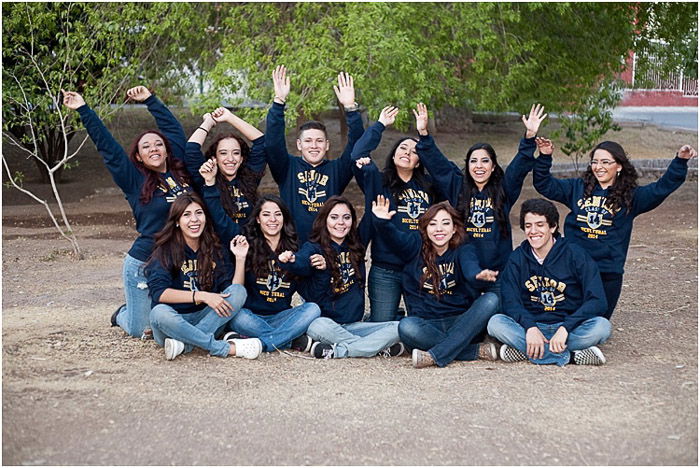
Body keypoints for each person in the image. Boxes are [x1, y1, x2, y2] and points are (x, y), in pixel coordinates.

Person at [62, 87, 192, 338]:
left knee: (171, 320)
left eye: (158, 144)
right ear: (139, 157)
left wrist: (151, 101)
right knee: (139, 330)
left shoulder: (182, 172)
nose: (154, 148)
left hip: (178, 261)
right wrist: (83, 109)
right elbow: (108, 149)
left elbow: (174, 130)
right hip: (144, 262)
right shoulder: (134, 180)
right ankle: (123, 313)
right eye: (146, 147)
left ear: (166, 150)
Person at [533, 139, 697, 319]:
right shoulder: (577, 188)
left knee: (597, 324)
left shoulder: (631, 197)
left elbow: (661, 188)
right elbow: (544, 184)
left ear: (618, 166)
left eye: (605, 162)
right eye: (594, 162)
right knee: (561, 317)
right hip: (574, 270)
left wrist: (680, 161)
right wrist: (545, 156)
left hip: (607, 274)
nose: (598, 167)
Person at [414, 103, 547, 303]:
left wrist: (529, 137)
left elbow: (518, 169)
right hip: (465, 268)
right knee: (471, 321)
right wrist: (424, 133)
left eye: (485, 161)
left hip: (499, 271)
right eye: (473, 161)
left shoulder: (504, 190)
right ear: (467, 166)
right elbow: (439, 166)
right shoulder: (458, 188)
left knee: (497, 317)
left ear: (493, 167)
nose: (479, 166)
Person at [371, 196, 501, 369]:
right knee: (406, 326)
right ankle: (472, 351)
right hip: (426, 325)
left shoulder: (463, 249)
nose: (439, 229)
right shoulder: (415, 246)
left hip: (462, 321)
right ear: (425, 228)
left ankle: (435, 354)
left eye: (445, 223)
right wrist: (382, 222)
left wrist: (477, 275)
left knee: (491, 299)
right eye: (432, 224)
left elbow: (470, 267)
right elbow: (395, 238)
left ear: (454, 228)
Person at [487, 198, 612, 366]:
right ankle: (573, 356)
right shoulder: (517, 258)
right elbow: (510, 301)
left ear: (552, 227)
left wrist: (565, 328)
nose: (533, 231)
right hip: (530, 326)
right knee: (495, 324)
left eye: (540, 225)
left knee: (602, 327)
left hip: (568, 327)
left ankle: (527, 350)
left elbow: (597, 300)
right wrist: (530, 328)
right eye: (529, 225)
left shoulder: (575, 254)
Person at [278, 196, 403, 359]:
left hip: (354, 325)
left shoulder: (357, 245)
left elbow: (370, 216)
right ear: (324, 220)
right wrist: (293, 260)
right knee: (317, 326)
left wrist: (375, 212)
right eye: (334, 217)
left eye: (346, 217)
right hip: (326, 324)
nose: (341, 222)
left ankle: (340, 350)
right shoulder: (314, 248)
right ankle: (374, 348)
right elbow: (302, 261)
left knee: (399, 327)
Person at [200, 185, 322, 352]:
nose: (272, 219)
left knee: (313, 309)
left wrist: (307, 263)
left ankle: (259, 342)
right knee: (238, 318)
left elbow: (306, 282)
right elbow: (237, 290)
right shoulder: (247, 242)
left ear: (284, 218)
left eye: (277, 214)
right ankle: (290, 340)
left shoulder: (295, 248)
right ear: (258, 219)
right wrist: (240, 258)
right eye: (266, 214)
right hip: (250, 315)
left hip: (282, 316)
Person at [145, 193, 262, 360]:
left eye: (199, 213)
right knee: (159, 313)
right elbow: (159, 293)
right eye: (187, 215)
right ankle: (221, 348)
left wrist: (240, 258)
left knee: (239, 291)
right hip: (174, 322)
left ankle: (186, 344)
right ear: (177, 221)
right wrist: (202, 296)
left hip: (207, 318)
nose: (194, 220)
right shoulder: (165, 251)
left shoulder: (215, 248)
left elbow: (231, 291)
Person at [351, 106, 437, 323]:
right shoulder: (378, 181)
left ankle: (400, 318)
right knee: (382, 325)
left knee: (420, 324)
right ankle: (391, 317)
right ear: (394, 152)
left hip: (420, 267)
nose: (407, 153)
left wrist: (425, 136)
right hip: (385, 269)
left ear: (420, 160)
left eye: (414, 151)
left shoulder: (429, 185)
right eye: (403, 148)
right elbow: (357, 153)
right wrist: (379, 125)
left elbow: (445, 170)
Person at [264, 65, 365, 242]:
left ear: (327, 145)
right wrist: (279, 102)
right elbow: (273, 143)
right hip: (292, 247)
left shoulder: (337, 170)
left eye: (319, 141)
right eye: (308, 141)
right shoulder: (287, 168)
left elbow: (357, 145)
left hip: (326, 248)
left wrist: (350, 108)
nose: (314, 146)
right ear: (299, 145)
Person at [185, 106, 266, 225]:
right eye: (223, 153)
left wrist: (229, 117)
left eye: (236, 153)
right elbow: (191, 149)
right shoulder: (205, 178)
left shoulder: (249, 178)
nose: (230, 159)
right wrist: (209, 121)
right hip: (216, 242)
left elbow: (261, 141)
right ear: (215, 158)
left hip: (249, 241)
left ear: (242, 159)